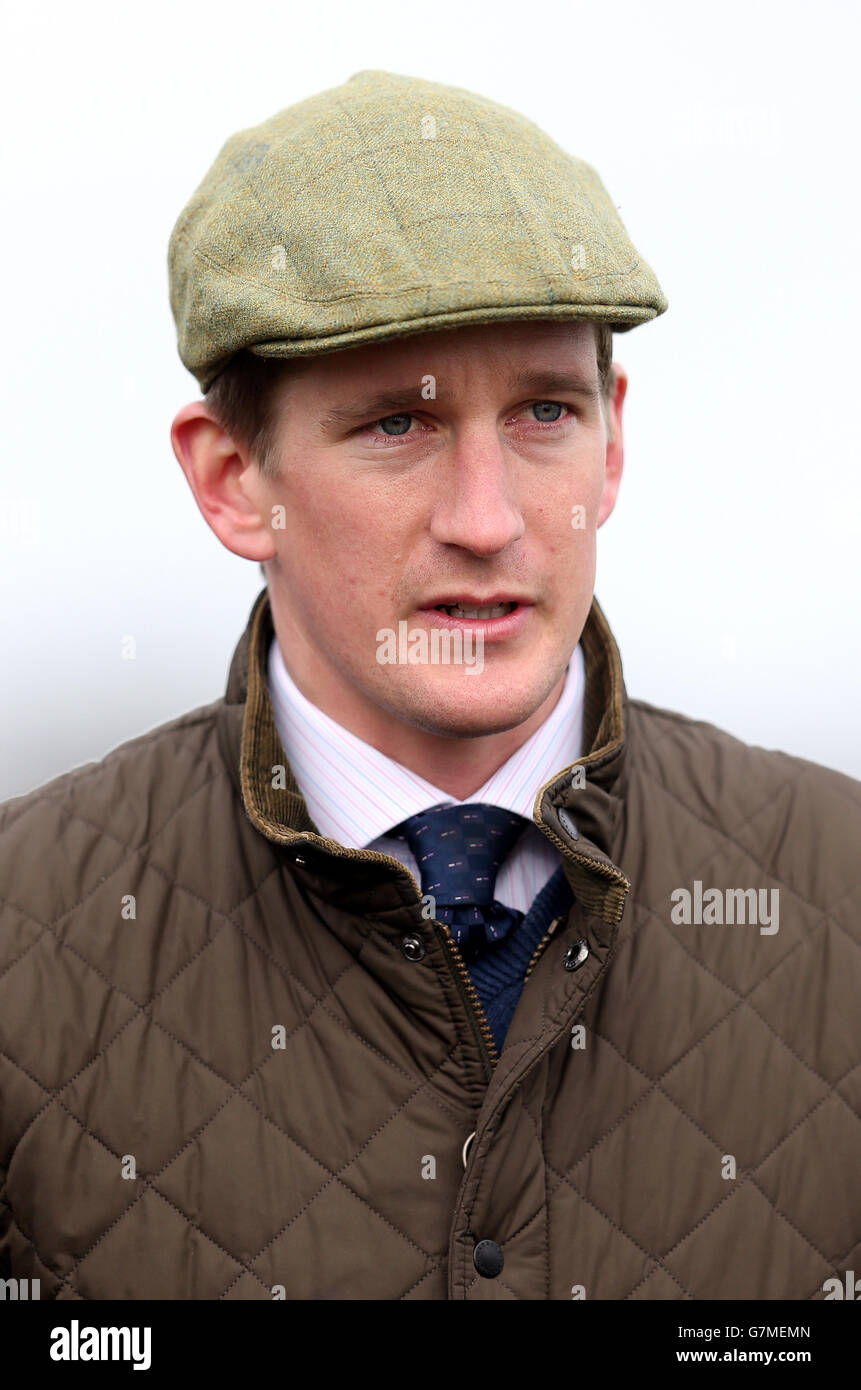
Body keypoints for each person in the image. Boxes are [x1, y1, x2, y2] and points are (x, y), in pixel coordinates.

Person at [1, 69, 859, 1302]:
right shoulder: (22, 950)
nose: (487, 517)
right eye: (397, 428)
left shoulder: (842, 895)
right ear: (235, 477)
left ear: (613, 444)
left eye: (543, 413)